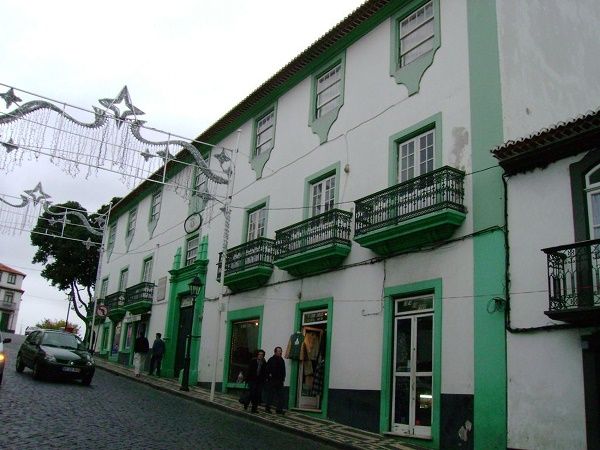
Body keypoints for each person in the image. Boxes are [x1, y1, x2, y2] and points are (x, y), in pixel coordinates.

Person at [243, 349, 267, 413]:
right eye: (259, 354)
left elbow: (265, 372)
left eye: (262, 355)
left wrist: (264, 380)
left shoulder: (264, 363)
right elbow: (249, 370)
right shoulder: (253, 361)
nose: (260, 356)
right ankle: (246, 403)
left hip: (259, 381)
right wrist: (246, 379)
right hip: (252, 380)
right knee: (252, 394)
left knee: (257, 395)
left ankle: (254, 409)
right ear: (257, 355)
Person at [265, 346, 286, 414]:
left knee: (281, 396)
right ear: (275, 352)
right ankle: (267, 408)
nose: (280, 352)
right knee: (270, 395)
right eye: (279, 351)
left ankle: (279, 409)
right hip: (272, 380)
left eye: (281, 351)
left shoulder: (282, 360)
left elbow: (283, 370)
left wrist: (283, 378)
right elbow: (267, 370)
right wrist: (269, 377)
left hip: (279, 381)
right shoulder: (271, 360)